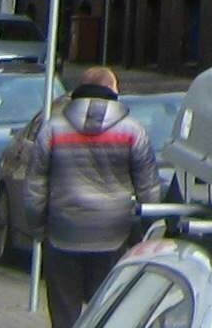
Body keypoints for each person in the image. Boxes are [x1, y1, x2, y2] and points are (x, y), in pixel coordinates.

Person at [15, 66, 160, 328]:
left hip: (62, 233)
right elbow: (148, 190)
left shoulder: (53, 129)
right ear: (113, 90)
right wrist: (145, 233)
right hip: (114, 235)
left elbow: (35, 187)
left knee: (64, 314)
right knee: (107, 311)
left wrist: (38, 229)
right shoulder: (133, 131)